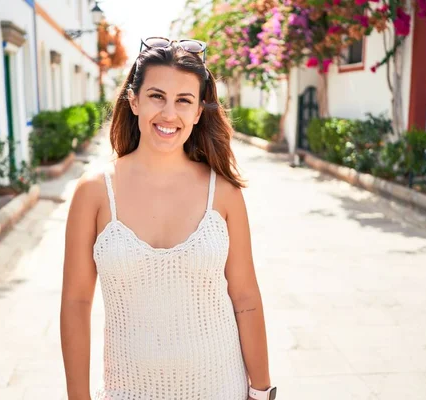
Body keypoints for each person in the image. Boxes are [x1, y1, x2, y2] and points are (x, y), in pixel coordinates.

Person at [60, 37, 275, 400]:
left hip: (220, 387)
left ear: (197, 112)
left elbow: (246, 297)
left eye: (184, 101)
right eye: (157, 96)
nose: (169, 114)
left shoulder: (222, 193)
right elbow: (76, 303)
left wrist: (261, 392)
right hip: (127, 391)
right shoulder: (94, 192)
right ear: (134, 100)